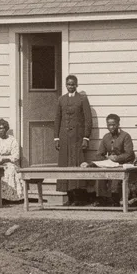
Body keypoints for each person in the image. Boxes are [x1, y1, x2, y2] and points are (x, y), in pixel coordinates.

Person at [54, 74, 92, 205]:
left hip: (77, 138)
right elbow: (57, 119)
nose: (70, 86)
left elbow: (88, 119)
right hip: (64, 138)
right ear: (66, 85)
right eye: (68, 84)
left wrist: (86, 137)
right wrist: (56, 138)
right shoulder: (61, 99)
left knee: (76, 164)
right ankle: (69, 197)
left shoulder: (82, 99)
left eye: (73, 84)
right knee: (65, 165)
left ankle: (78, 198)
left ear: (76, 85)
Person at [85, 113, 135, 206]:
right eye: (109, 125)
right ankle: (102, 199)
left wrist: (116, 158)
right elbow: (99, 154)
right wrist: (105, 159)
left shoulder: (125, 136)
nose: (111, 127)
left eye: (113, 124)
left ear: (118, 124)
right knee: (100, 174)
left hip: (122, 163)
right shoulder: (106, 137)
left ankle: (114, 198)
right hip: (110, 164)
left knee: (116, 175)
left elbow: (129, 154)